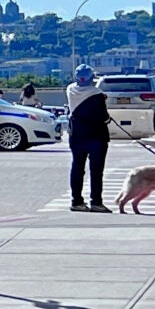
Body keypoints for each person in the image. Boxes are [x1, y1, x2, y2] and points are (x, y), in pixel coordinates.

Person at [67, 63, 111, 211]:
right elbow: (104, 117)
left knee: (78, 167)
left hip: (77, 135)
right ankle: (96, 202)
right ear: (92, 78)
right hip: (96, 136)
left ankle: (76, 201)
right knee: (96, 171)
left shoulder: (70, 89)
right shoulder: (97, 94)